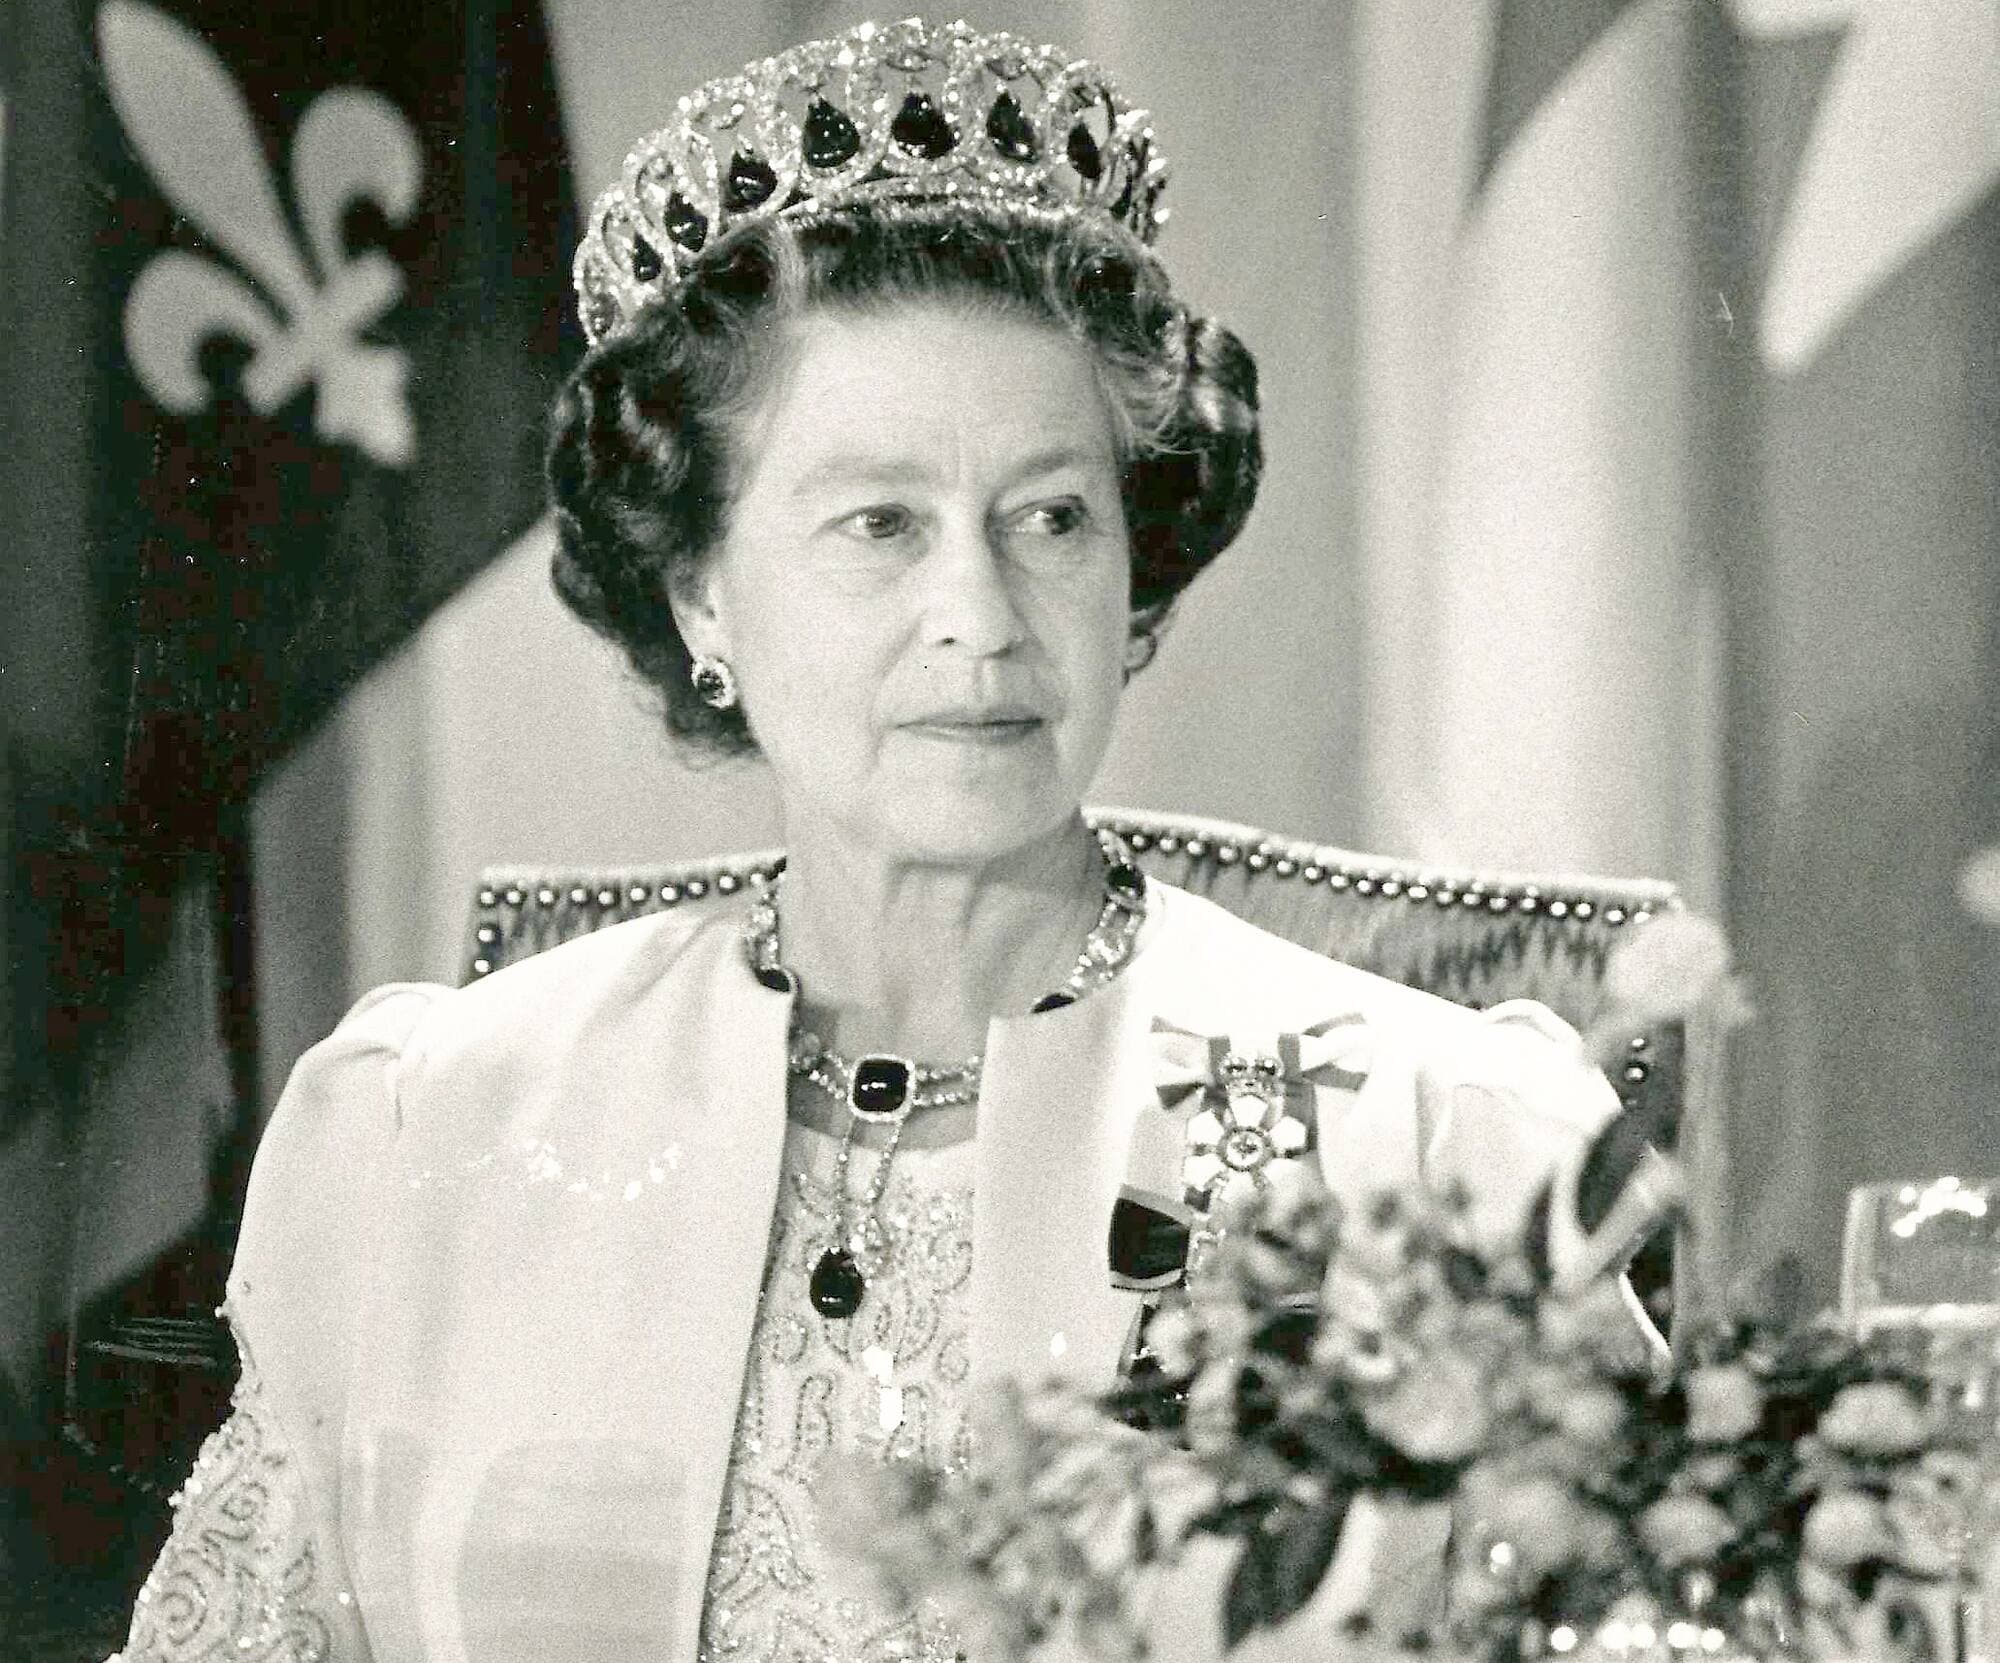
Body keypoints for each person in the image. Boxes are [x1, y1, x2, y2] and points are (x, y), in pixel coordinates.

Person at [111, 20, 1647, 1663]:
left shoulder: (1439, 1143)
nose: (979, 619)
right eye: (878, 526)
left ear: (1135, 566)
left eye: (1051, 516)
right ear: (699, 585)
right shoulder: (430, 1135)